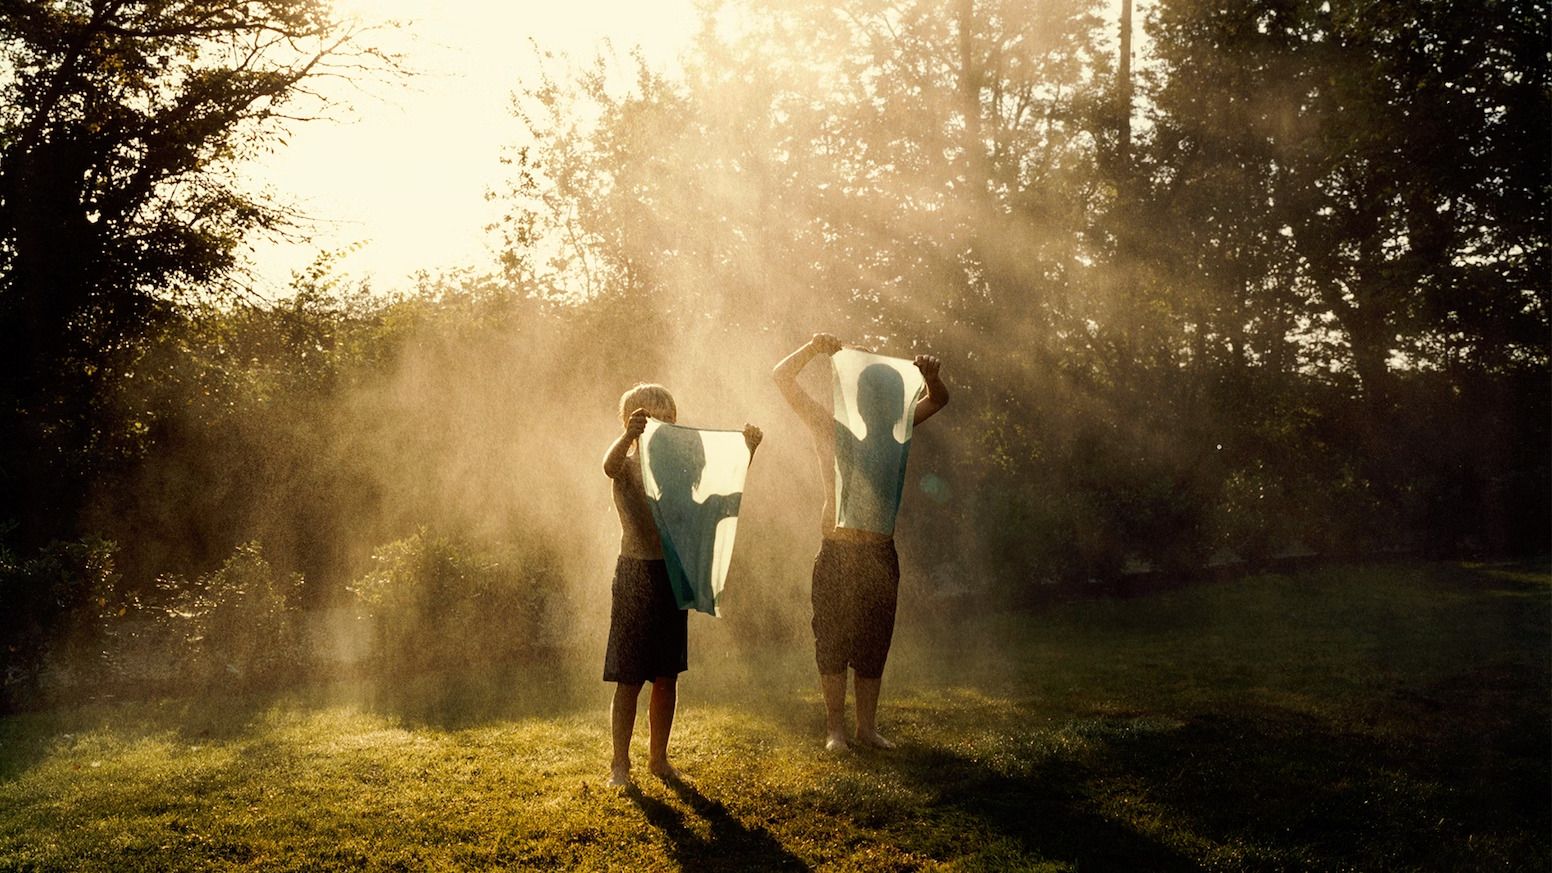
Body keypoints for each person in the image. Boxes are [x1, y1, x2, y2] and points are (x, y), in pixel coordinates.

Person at [772, 333, 949, 751]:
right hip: (836, 549)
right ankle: (835, 730)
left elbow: (939, 399)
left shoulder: (898, 427)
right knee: (832, 640)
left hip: (879, 552)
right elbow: (780, 378)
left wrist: (930, 375)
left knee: (874, 641)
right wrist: (814, 348)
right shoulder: (827, 425)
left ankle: (866, 729)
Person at [601, 383, 761, 785]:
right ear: (631, 421)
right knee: (629, 676)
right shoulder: (627, 464)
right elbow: (607, 464)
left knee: (667, 675)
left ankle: (658, 758)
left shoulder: (684, 469)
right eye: (647, 414)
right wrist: (627, 437)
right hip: (636, 574)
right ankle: (620, 763)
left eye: (666, 415)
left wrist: (747, 451)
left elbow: (718, 496)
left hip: (670, 577)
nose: (658, 421)